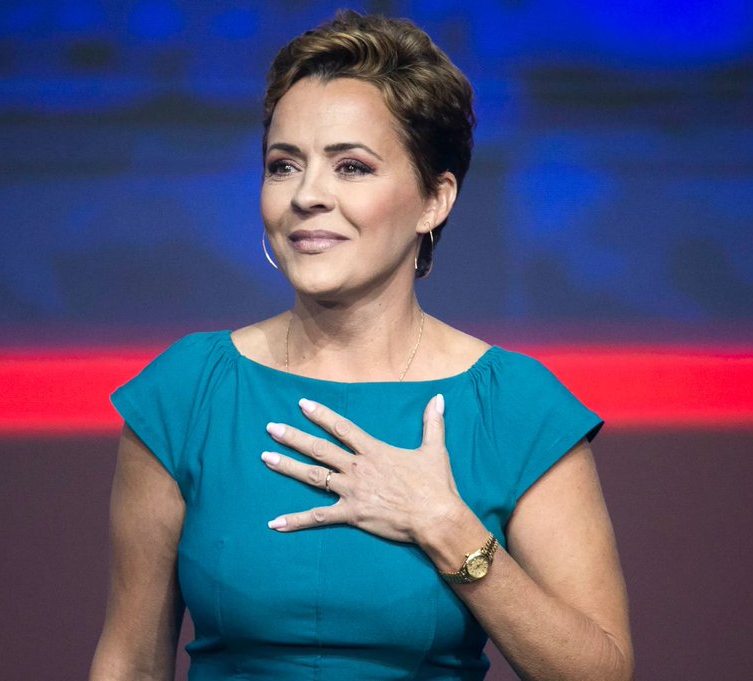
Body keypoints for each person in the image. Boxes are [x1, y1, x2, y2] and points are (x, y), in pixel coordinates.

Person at [89, 10, 632, 681]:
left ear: (435, 200)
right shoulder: (189, 391)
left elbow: (601, 673)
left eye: (351, 166)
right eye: (284, 165)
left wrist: (448, 527)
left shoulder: (514, 405)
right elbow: (131, 661)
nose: (307, 195)